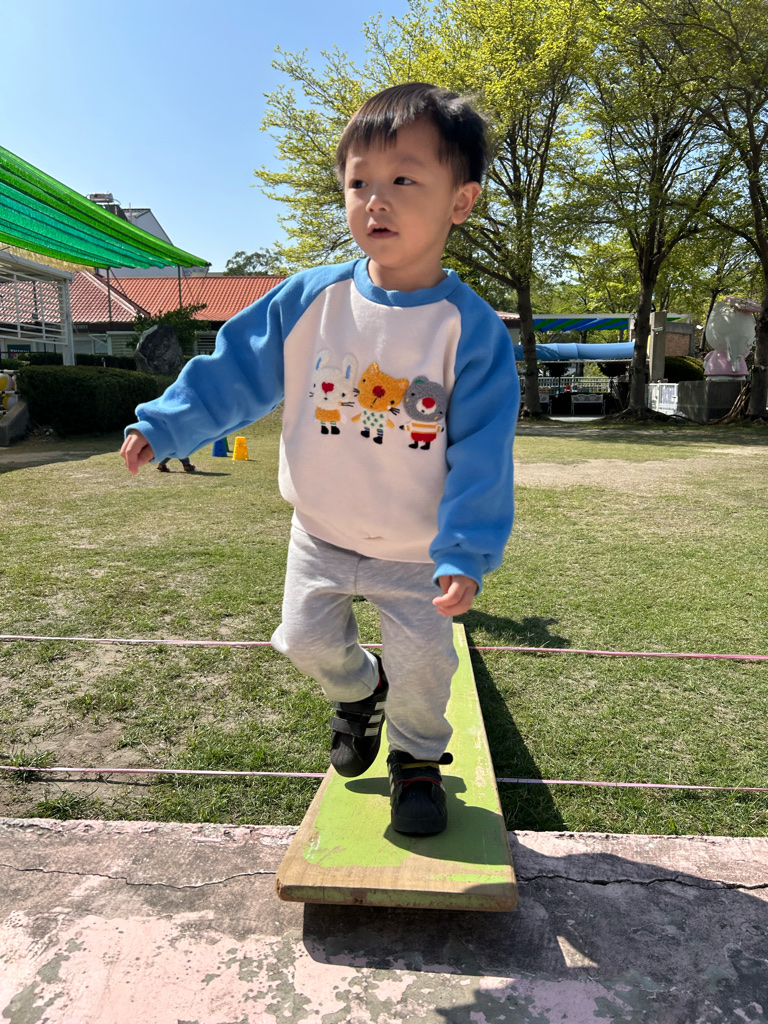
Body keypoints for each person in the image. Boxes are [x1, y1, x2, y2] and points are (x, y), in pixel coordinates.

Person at [120, 83, 520, 836]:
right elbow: (234, 371)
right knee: (304, 641)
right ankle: (359, 691)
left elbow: (482, 454)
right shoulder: (310, 299)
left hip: (416, 551)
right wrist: (168, 425)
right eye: (359, 182)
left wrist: (464, 552)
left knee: (426, 668)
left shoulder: (469, 331)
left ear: (461, 202)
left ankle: (416, 762)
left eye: (404, 179)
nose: (376, 200)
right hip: (321, 532)